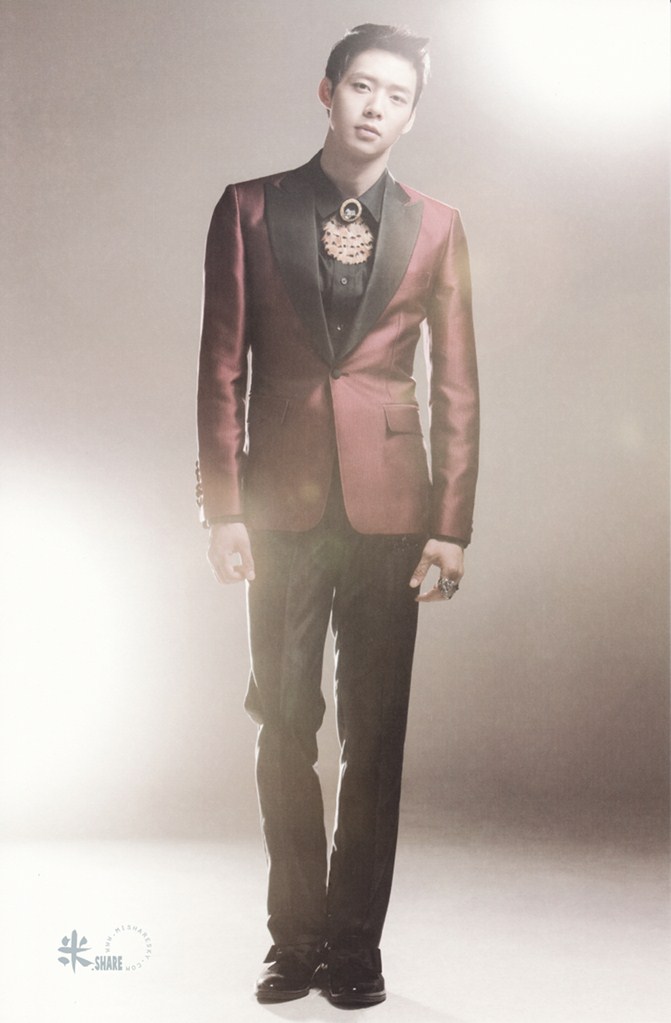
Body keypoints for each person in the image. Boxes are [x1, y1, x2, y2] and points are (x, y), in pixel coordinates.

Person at [196, 23, 479, 1007]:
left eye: (395, 96)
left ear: (410, 115)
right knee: (283, 724)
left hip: (393, 511)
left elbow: (457, 386)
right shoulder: (248, 208)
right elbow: (221, 367)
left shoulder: (437, 226)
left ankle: (355, 947)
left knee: (375, 733)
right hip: (277, 507)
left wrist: (451, 524)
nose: (374, 107)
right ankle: (294, 940)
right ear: (327, 92)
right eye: (361, 87)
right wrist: (222, 507)